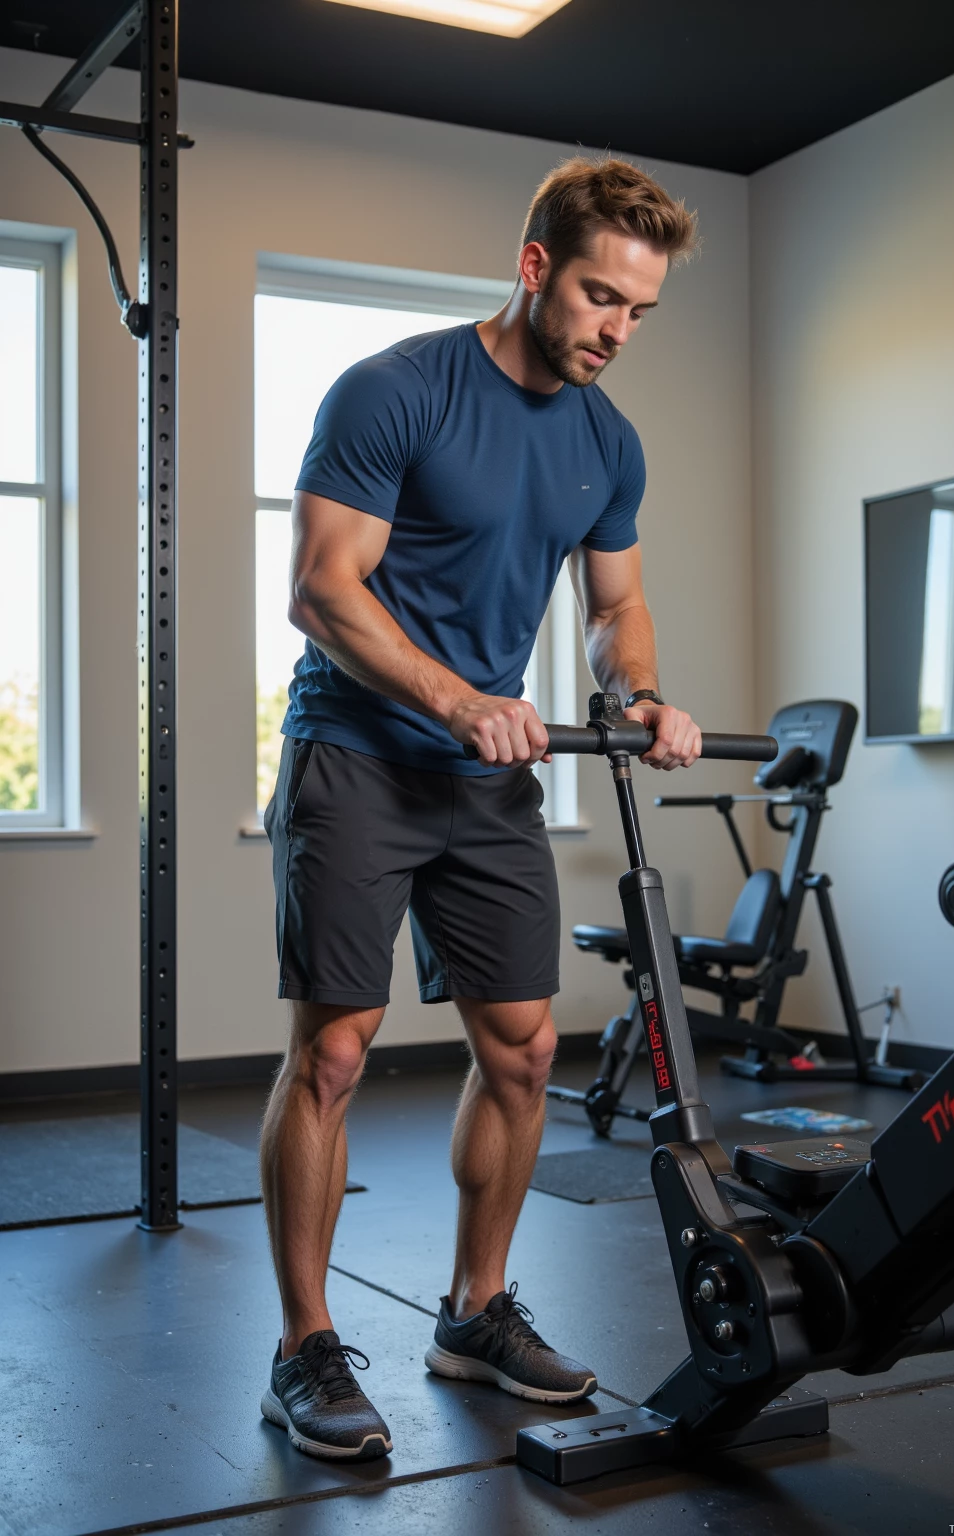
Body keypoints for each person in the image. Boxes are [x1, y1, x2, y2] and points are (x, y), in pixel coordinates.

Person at [258, 156, 701, 1461]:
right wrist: (456, 700)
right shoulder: (396, 392)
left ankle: (474, 1309)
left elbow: (617, 609)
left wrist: (642, 694)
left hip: (486, 781)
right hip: (357, 758)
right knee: (333, 1055)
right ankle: (304, 1346)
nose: (616, 331)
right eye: (598, 297)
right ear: (533, 267)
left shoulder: (606, 442)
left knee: (525, 1053)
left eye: (638, 312)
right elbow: (324, 591)